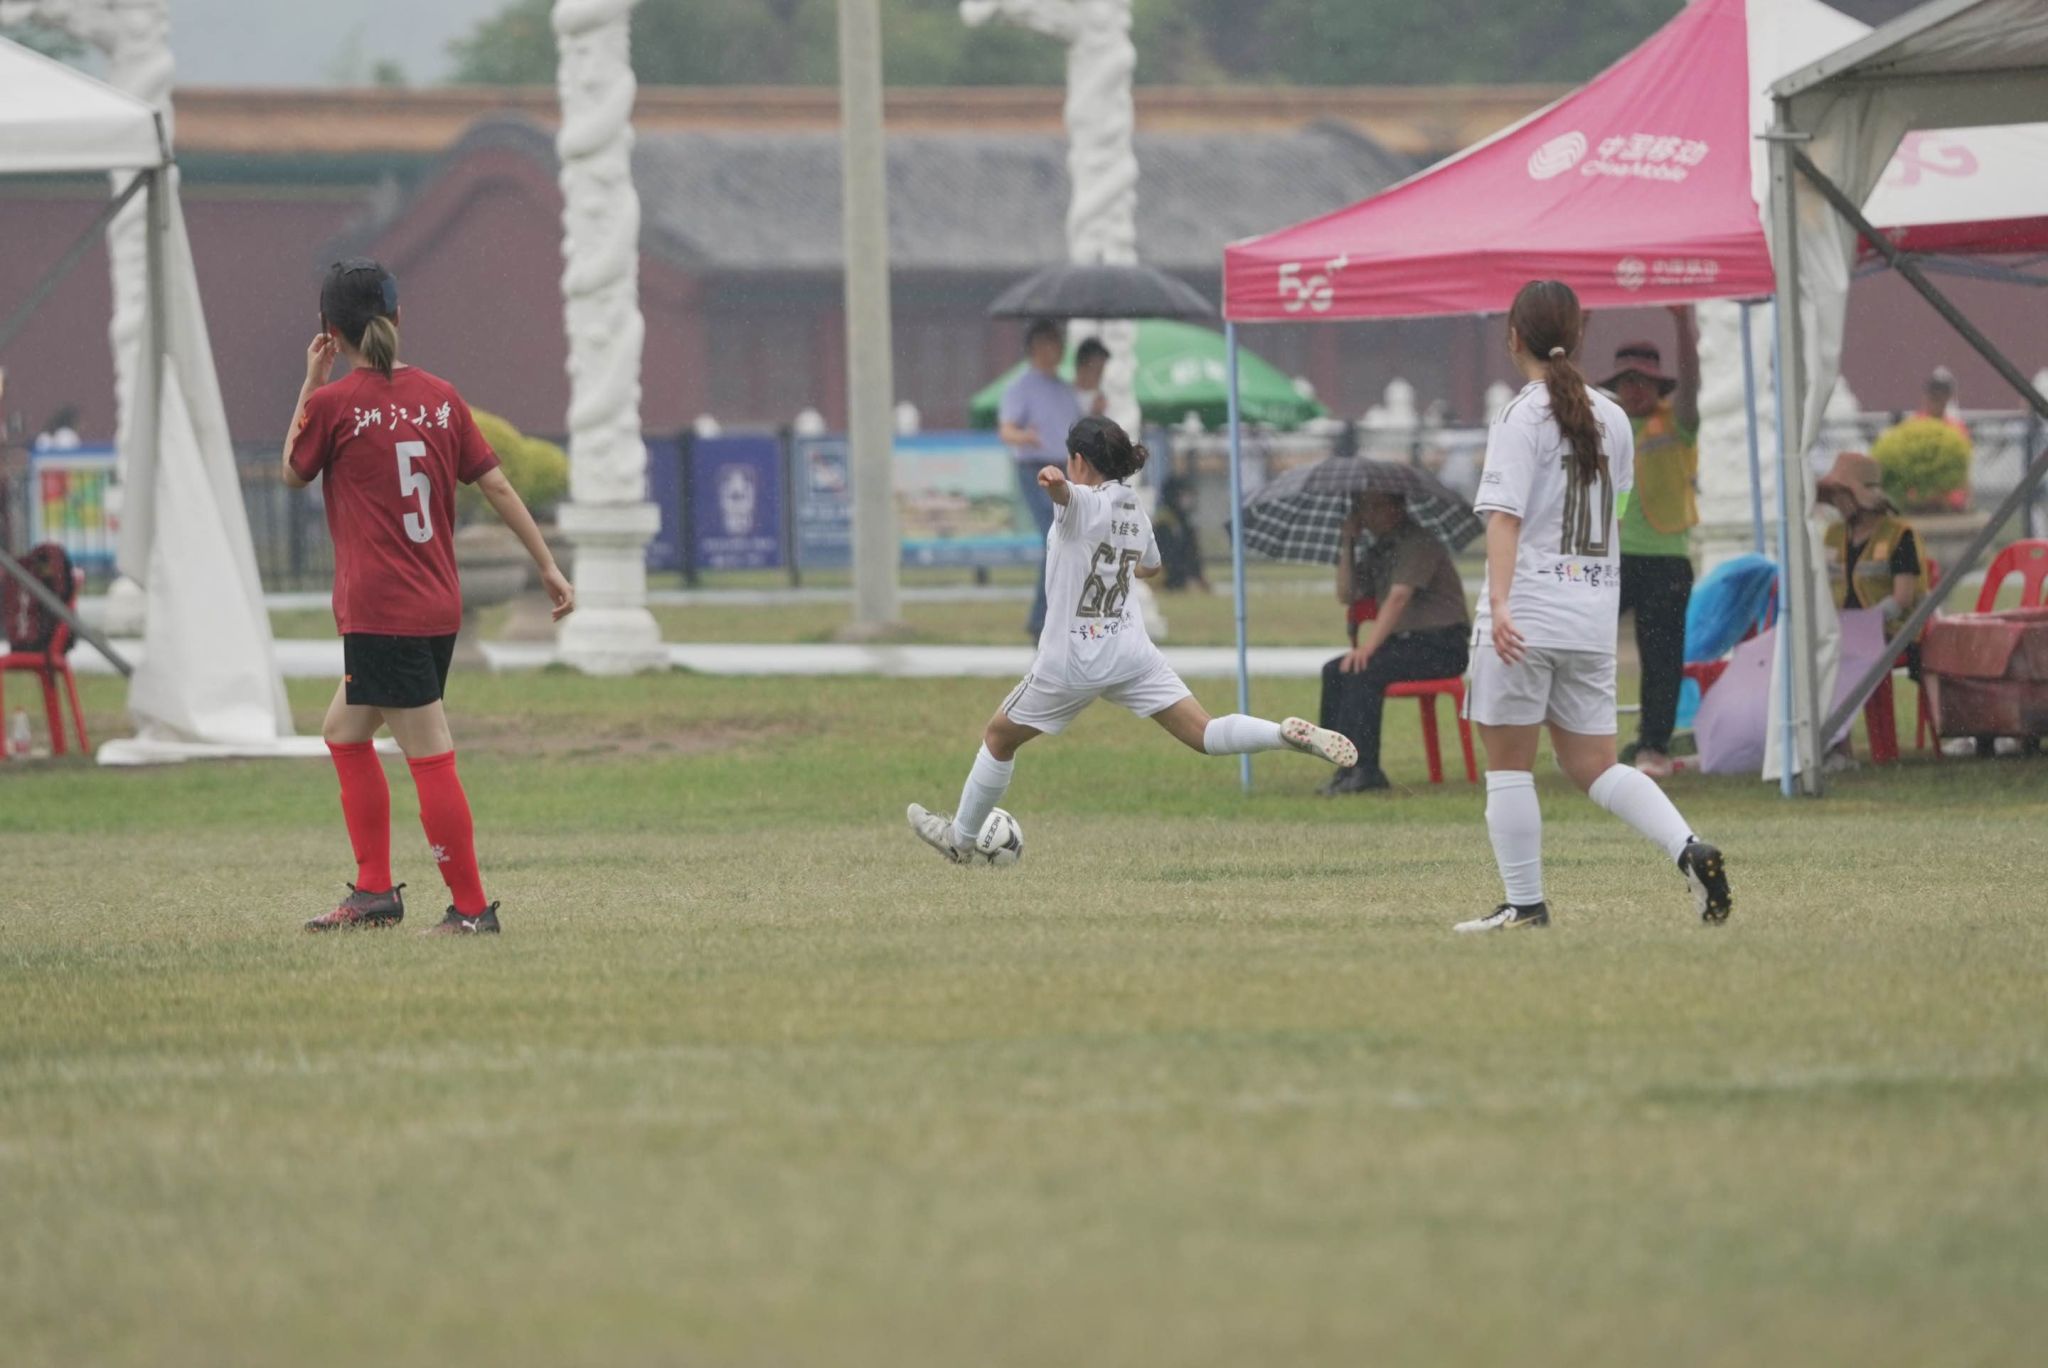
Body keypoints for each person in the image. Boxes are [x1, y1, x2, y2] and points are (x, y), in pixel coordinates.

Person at [908, 415, 1355, 861]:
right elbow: (1151, 565)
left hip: (1072, 661)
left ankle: (960, 841)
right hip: (1129, 653)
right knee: (1203, 732)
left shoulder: (1082, 501)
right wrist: (1117, 562)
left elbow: (1067, 496)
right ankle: (1281, 734)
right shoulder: (1132, 507)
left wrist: (1054, 484)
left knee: (999, 737)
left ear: (1079, 460)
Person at [284, 258, 574, 936]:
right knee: (343, 733)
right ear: (398, 316)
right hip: (435, 606)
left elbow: (293, 472)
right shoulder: (441, 397)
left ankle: (470, 909)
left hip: (383, 611)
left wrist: (311, 379)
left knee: (428, 753)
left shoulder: (334, 404)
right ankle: (373, 892)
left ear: (330, 331)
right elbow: (497, 485)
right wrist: (547, 565)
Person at [1457, 280, 1731, 933]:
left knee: (1509, 768)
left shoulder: (1521, 416)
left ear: (1513, 337)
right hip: (1589, 616)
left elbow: (1504, 517)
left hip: (1526, 613)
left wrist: (1500, 605)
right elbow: (1619, 510)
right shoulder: (1614, 418)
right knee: (1596, 766)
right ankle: (1687, 847)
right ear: (1579, 337)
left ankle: (1525, 904)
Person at [1317, 491, 1469, 794]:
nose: (1367, 515)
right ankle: (1344, 762)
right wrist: (1347, 543)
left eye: (1375, 507)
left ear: (1397, 507)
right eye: (1362, 509)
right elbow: (1347, 594)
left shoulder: (1418, 543)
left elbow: (1399, 597)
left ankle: (1366, 770)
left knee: (1364, 671)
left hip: (1441, 645)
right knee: (1335, 671)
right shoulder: (1380, 550)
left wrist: (1368, 648)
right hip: (1405, 644)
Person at [1600, 311, 1698, 779]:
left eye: (1642, 381)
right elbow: (1563, 393)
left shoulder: (1677, 423)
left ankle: (1653, 747)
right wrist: (1580, 329)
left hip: (1665, 559)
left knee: (1661, 659)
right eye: (1626, 381)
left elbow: (1693, 386)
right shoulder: (1607, 425)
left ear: (1659, 386)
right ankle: (1585, 738)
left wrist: (1682, 325)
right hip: (1613, 559)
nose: (1634, 389)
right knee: (1582, 644)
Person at [998, 320, 1084, 638]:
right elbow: (1006, 430)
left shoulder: (1065, 389)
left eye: (1060, 342)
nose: (1058, 349)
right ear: (1035, 347)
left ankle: (1057, 617)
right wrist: (1025, 437)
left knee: (1069, 541)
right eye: (1052, 342)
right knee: (1055, 539)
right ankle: (1041, 619)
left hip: (1067, 469)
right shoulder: (1021, 387)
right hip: (1036, 469)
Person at [1149, 473, 1209, 592]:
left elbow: (1192, 556)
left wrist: (1198, 578)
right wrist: (1186, 580)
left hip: (1179, 581)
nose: (1189, 500)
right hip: (1164, 583)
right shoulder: (1164, 524)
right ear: (1174, 496)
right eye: (1184, 495)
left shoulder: (1182, 522)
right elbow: (1170, 560)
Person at [1073, 336, 1111, 418]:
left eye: (1101, 370)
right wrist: (1094, 415)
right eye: (1096, 370)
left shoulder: (1104, 401)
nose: (1100, 376)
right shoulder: (1063, 396)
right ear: (1082, 368)